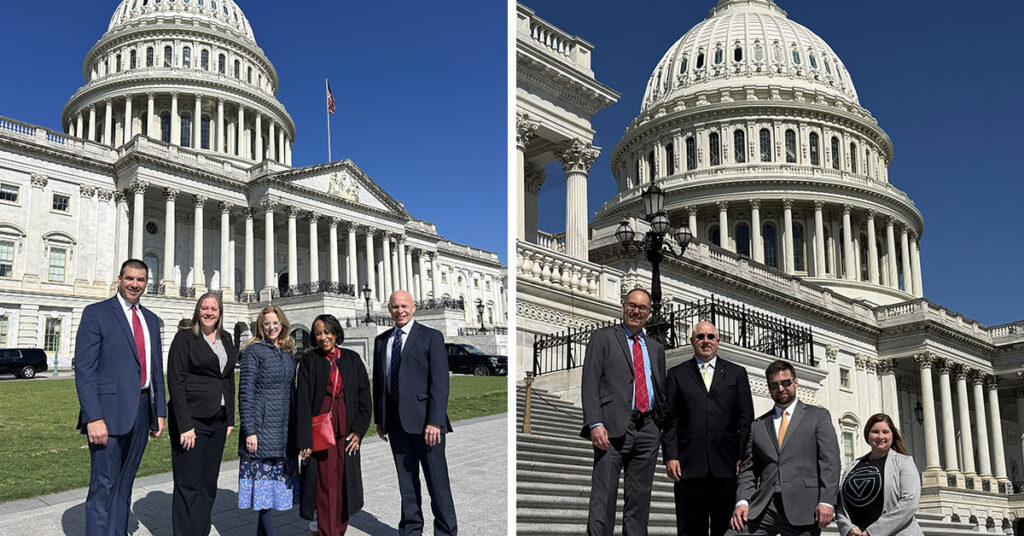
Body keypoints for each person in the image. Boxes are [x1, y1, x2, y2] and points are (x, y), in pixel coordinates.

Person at [74, 258, 166, 536]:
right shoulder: (97, 313)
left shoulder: (149, 318)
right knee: (103, 485)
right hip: (107, 412)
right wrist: (94, 417)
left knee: (125, 483)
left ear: (146, 283)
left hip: (141, 410)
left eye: (140, 280)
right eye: (130, 278)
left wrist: (159, 410)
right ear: (119, 279)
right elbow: (85, 369)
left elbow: (155, 368)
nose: (134, 284)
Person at [580, 288, 667, 536]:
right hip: (612, 426)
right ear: (623, 307)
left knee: (639, 501)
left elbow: (660, 391)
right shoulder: (603, 337)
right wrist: (595, 422)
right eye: (632, 305)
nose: (636, 311)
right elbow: (590, 382)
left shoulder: (656, 349)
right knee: (603, 496)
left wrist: (659, 428)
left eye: (642, 308)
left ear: (649, 313)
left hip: (648, 428)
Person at [372, 290, 457, 535]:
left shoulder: (430, 337)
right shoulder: (382, 341)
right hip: (396, 424)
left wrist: (435, 421)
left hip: (426, 425)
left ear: (414, 307)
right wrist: (380, 418)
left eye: (404, 306)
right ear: (389, 309)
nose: (400, 311)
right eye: (395, 307)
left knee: (437, 485)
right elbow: (380, 382)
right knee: (406, 485)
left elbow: (440, 384)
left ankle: (445, 532)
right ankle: (410, 530)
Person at [727, 360, 841, 536]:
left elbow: (830, 462)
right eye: (774, 385)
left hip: (803, 507)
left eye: (786, 383)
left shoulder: (818, 416)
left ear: (795, 383)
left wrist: (827, 501)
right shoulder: (758, 425)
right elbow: (748, 470)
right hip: (764, 506)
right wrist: (742, 501)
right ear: (769, 388)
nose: (780, 389)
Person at [663, 320, 754, 536]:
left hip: (727, 466)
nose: (706, 341)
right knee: (690, 529)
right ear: (692, 341)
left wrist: (744, 456)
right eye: (700, 337)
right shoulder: (676, 375)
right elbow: (670, 420)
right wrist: (671, 456)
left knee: (726, 529)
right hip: (688, 466)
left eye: (710, 337)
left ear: (718, 341)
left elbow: (746, 420)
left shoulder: (737, 373)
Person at [166, 291, 237, 536]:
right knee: (188, 484)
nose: (208, 313)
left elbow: (228, 380)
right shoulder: (185, 338)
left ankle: (201, 531)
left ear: (220, 313)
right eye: (204, 308)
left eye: (213, 309)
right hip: (191, 421)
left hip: (217, 421)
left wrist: (230, 418)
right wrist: (185, 424)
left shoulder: (226, 339)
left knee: (208, 484)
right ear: (198, 310)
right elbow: (176, 382)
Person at [296, 314, 372, 535]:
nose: (323, 337)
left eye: (327, 332)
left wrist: (358, 431)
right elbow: (302, 401)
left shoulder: (352, 359)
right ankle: (327, 531)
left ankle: (338, 530)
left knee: (344, 485)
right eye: (318, 333)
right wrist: (305, 439)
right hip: (321, 432)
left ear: (336, 333)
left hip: (347, 431)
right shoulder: (310, 360)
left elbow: (364, 398)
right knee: (325, 486)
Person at [237, 305, 299, 536]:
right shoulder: (254, 352)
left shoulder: (287, 351)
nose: (271, 327)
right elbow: (246, 392)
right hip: (262, 430)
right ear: (260, 327)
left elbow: (291, 392)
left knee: (275, 491)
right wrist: (250, 431)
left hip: (284, 430)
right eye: (266, 324)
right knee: (263, 495)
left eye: (275, 322)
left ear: (282, 324)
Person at [835, 414, 922, 536]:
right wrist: (847, 527)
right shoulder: (853, 466)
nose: (881, 436)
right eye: (875, 432)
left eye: (885, 432)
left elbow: (909, 503)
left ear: (892, 435)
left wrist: (872, 532)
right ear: (867, 435)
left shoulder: (904, 462)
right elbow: (840, 503)